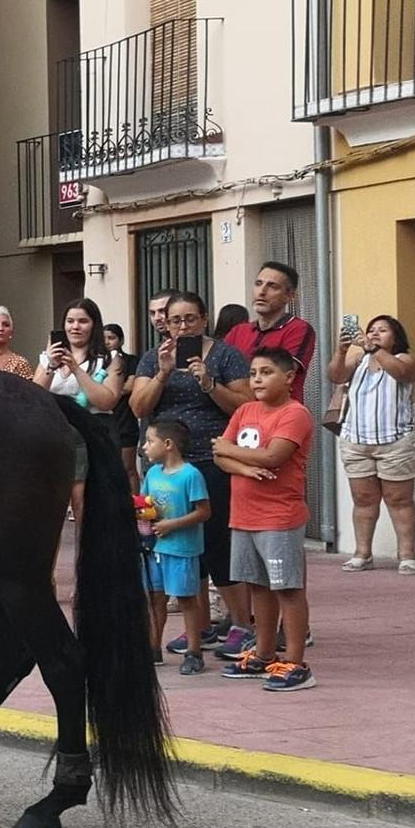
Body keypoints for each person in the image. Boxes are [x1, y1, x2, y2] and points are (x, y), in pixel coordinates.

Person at [129, 292, 254, 657]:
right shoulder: (154, 358)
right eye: (175, 320)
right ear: (164, 322)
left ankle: (241, 624)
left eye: (190, 319)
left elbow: (245, 404)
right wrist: (164, 373)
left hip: (210, 459)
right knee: (182, 550)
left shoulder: (226, 355)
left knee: (217, 544)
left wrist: (209, 383)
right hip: (165, 466)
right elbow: (139, 406)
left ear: (204, 319)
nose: (183, 327)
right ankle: (196, 627)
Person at [212, 347, 317, 690]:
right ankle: (264, 653)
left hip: (279, 517)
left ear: (288, 378)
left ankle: (296, 662)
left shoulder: (295, 414)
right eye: (254, 372)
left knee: (287, 587)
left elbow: (274, 456)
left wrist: (229, 450)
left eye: (266, 372)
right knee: (257, 586)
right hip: (244, 515)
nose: (257, 379)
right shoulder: (245, 410)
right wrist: (243, 464)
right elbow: (219, 455)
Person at [330, 313, 415, 574]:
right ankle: (362, 553)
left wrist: (374, 350)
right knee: (363, 499)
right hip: (356, 441)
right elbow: (335, 376)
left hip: (395, 441)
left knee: (399, 499)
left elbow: (403, 373)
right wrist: (341, 350)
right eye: (371, 330)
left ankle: (406, 554)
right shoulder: (358, 359)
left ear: (396, 338)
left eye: (383, 330)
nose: (375, 333)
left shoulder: (404, 359)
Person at [33, 297, 124, 524]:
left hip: (94, 430)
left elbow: (106, 401)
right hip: (57, 433)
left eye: (82, 321)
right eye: (70, 321)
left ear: (94, 325)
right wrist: (51, 366)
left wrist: (76, 369)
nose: (75, 327)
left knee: (87, 503)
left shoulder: (109, 359)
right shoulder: (48, 357)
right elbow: (34, 396)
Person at [139, 418, 210, 673]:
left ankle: (194, 650)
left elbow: (203, 512)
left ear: (168, 444)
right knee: (155, 597)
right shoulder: (153, 473)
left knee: (186, 598)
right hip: (155, 548)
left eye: (149, 441)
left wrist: (172, 524)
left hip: (181, 548)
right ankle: (153, 646)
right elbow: (146, 503)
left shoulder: (190, 475)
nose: (144, 447)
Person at [224, 261, 319, 381]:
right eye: (258, 284)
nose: (262, 292)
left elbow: (280, 375)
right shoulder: (238, 331)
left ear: (289, 296)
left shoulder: (298, 329)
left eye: (272, 286)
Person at [104, 323, 142, 494]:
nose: (107, 342)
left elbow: (130, 386)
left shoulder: (131, 360)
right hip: (104, 420)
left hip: (125, 420)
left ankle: (135, 506)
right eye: (103, 338)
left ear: (120, 340)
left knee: (129, 468)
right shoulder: (99, 361)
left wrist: (108, 391)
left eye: (111, 338)